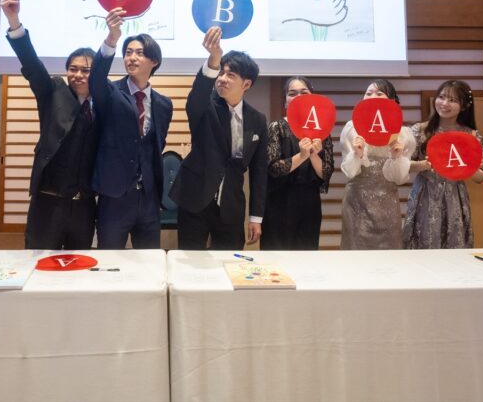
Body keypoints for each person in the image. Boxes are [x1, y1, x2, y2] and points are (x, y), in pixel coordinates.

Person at [1, 0, 98, 250]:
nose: (78, 75)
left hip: (84, 205)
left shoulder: (103, 103)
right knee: (40, 262)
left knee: (80, 263)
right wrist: (14, 21)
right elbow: (32, 65)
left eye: (85, 70)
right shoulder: (53, 91)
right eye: (73, 69)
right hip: (48, 202)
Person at [170, 27, 268, 250]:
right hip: (194, 200)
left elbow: (259, 172)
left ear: (246, 84)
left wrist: (256, 217)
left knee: (230, 262)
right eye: (221, 73)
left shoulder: (257, 120)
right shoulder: (205, 106)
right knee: (190, 262)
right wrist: (213, 59)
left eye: (230, 75)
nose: (222, 79)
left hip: (231, 206)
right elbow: (197, 96)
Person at [89, 8, 173, 249]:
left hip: (148, 198)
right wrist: (112, 38)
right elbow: (95, 79)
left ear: (154, 61)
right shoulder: (111, 92)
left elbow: (157, 145)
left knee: (148, 261)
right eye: (128, 53)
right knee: (109, 259)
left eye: (139, 53)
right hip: (114, 196)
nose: (132, 58)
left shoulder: (163, 104)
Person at [402, 80, 483, 249]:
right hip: (425, 193)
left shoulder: (472, 136)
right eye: (441, 97)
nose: (444, 103)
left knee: (454, 246)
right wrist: (424, 165)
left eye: (452, 100)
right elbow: (403, 165)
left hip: (455, 195)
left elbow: (479, 178)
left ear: (464, 106)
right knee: (423, 245)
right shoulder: (420, 131)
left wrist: (469, 167)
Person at [338, 79, 414, 250]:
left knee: (388, 252)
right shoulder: (352, 128)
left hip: (388, 204)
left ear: (392, 101)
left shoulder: (403, 134)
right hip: (357, 203)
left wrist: (397, 157)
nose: (372, 97)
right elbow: (349, 172)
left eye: (379, 93)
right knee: (356, 251)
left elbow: (400, 179)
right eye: (368, 93)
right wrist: (357, 154)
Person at [261, 76, 334, 250]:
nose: (298, 97)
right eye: (292, 93)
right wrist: (302, 156)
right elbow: (273, 168)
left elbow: (326, 172)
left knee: (306, 255)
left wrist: (313, 155)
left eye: (304, 92)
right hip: (280, 201)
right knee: (277, 256)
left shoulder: (322, 130)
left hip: (309, 203)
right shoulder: (277, 127)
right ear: (285, 101)